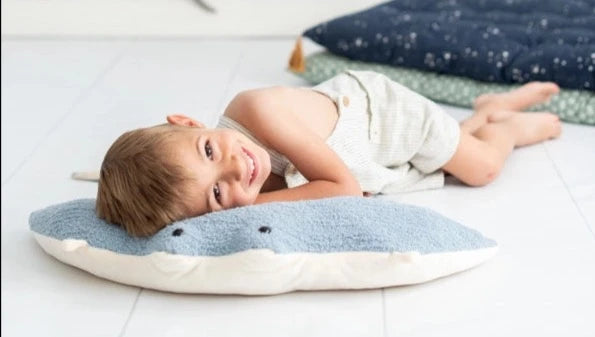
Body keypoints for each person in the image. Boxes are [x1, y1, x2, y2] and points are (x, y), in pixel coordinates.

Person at [96, 70, 561, 237]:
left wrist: (228, 209)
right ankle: (476, 120)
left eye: (209, 149)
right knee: (451, 157)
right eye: (218, 192)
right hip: (362, 154)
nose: (239, 167)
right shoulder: (246, 178)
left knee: (480, 169)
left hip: (386, 117)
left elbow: (343, 188)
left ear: (188, 121)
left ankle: (504, 120)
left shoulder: (255, 110)